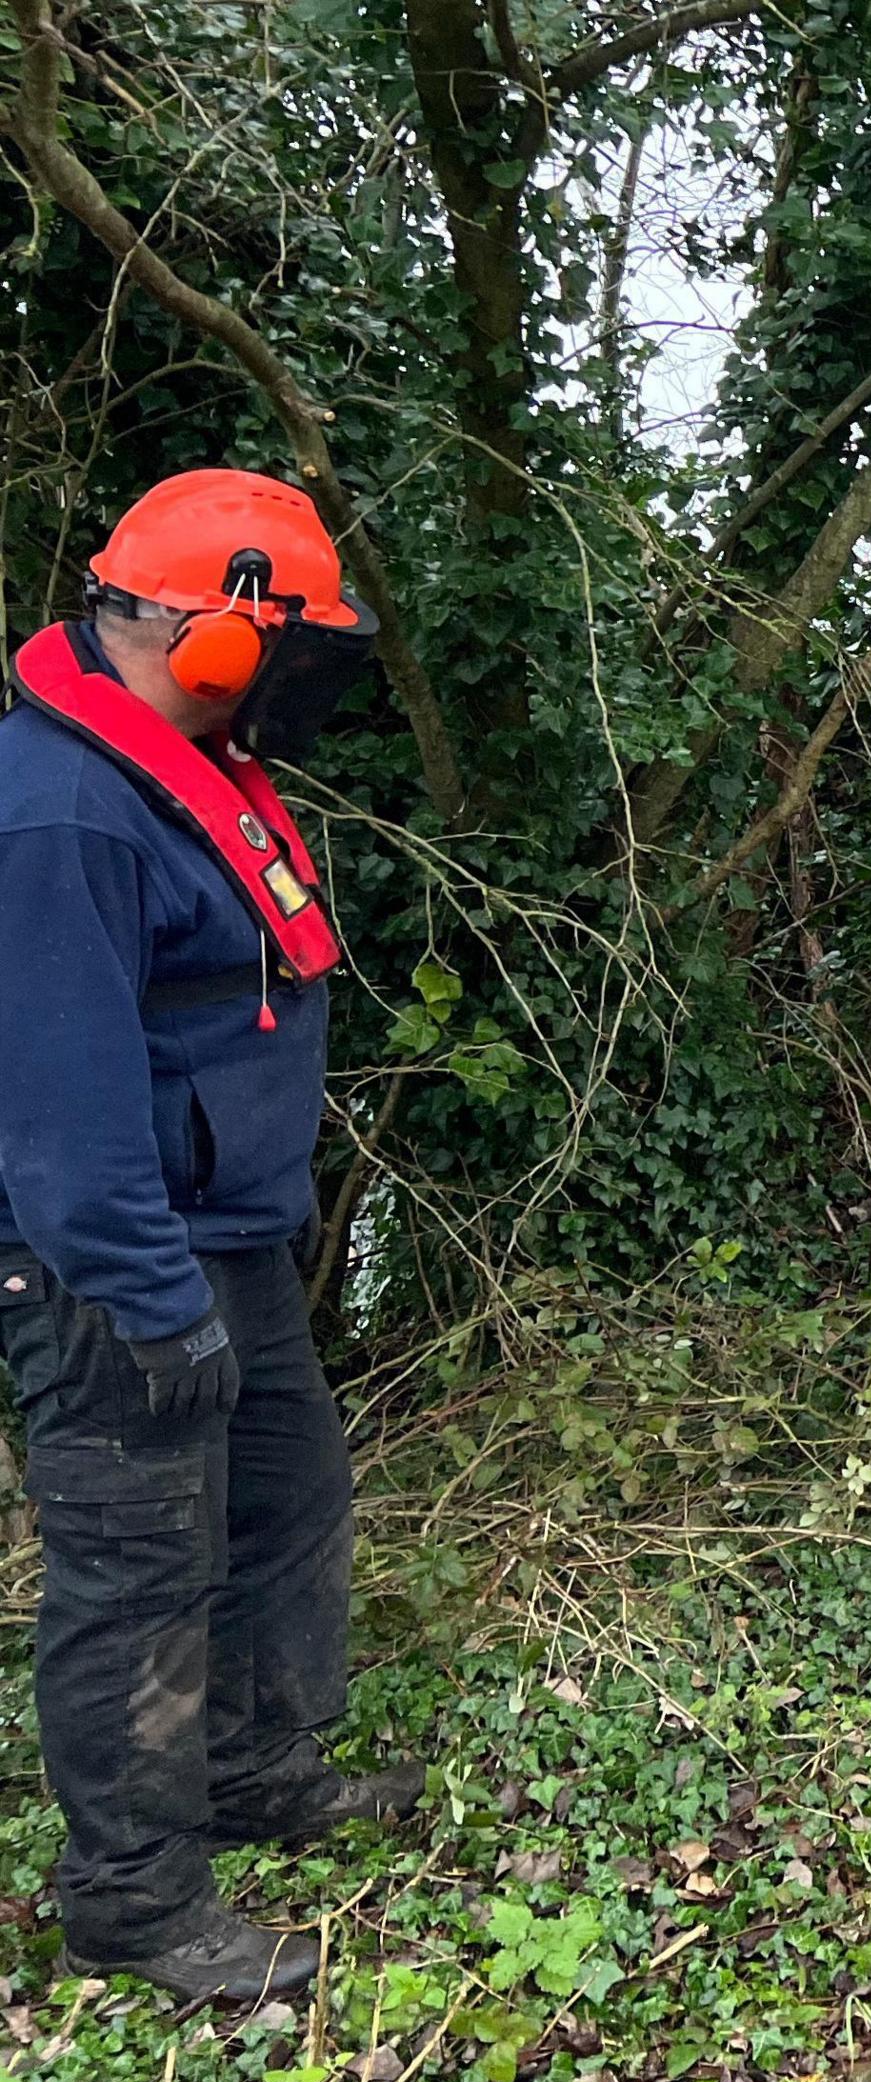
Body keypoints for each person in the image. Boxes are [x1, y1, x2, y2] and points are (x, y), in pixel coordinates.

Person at [0, 469, 423, 2002]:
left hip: (222, 1245)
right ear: (212, 635)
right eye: (287, 650)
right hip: (108, 1265)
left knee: (283, 1502)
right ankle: (132, 1897)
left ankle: (255, 1771)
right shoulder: (61, 812)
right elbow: (58, 1103)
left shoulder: (177, 767)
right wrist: (142, 1296)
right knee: (139, 1570)